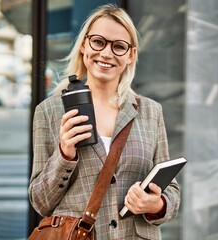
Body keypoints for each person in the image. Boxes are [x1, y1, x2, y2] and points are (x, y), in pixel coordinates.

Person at [29, 4, 180, 239]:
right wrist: (65, 153)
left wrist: (156, 204)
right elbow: (40, 202)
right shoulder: (49, 112)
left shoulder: (151, 111)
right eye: (98, 42)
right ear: (83, 45)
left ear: (131, 55)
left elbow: (172, 191)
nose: (107, 54)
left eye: (119, 46)